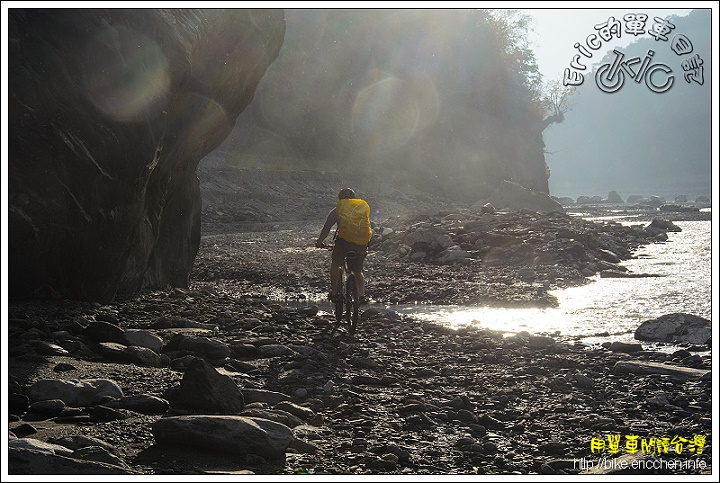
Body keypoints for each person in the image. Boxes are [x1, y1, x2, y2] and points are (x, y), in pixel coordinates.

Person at [315, 188, 372, 305]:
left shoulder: (337, 210)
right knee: (357, 271)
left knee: (336, 264)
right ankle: (361, 295)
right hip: (361, 243)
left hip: (344, 242)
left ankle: (335, 293)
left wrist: (319, 242)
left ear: (340, 199)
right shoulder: (360, 210)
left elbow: (326, 229)